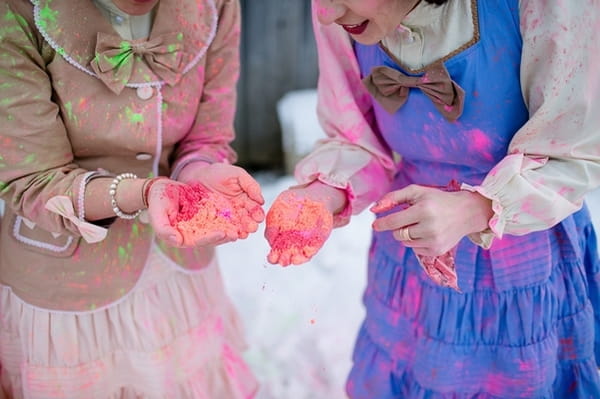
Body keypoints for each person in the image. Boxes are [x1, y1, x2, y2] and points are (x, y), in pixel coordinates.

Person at [264, 0, 600, 397]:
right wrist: (322, 195)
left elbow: (574, 148)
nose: (324, 14)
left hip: (518, 264)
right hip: (408, 265)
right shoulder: (344, 14)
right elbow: (355, 137)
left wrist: (479, 207)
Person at [0, 0, 264, 397]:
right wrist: (139, 193)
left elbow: (207, 138)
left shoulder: (216, 5)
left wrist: (200, 176)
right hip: (68, 296)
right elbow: (31, 178)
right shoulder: (16, 10)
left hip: (178, 281)